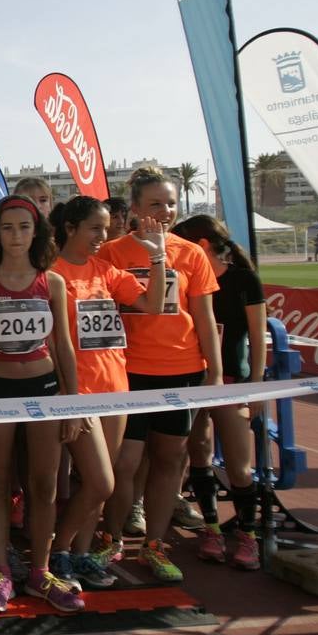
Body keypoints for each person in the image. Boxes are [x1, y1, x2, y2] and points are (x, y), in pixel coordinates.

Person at [96, 167, 221, 584]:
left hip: (181, 370)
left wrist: (214, 373)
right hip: (129, 371)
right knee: (125, 461)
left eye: (170, 203)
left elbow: (203, 317)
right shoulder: (113, 252)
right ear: (133, 209)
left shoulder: (192, 253)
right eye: (155, 204)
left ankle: (154, 544)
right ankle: (111, 538)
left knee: (169, 459)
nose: (165, 211)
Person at [0, 194, 81, 613]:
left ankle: (41, 571)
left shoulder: (52, 282)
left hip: (45, 391)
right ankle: (1, 570)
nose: (16, 236)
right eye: (7, 228)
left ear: (37, 232)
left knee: (44, 485)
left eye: (24, 227)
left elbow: (64, 345)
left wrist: (72, 401)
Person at [47, 196, 166, 589]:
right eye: (95, 228)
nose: (104, 235)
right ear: (70, 229)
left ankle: (79, 555)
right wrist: (67, 393)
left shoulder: (106, 271)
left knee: (100, 481)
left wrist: (158, 258)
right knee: (98, 481)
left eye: (105, 227)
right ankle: (58, 552)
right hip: (76, 393)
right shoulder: (50, 272)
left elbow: (152, 305)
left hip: (115, 387)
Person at [171, 214, 264, 570]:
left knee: (241, 466)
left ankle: (247, 536)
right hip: (194, 382)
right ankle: (210, 529)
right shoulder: (188, 279)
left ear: (202, 246)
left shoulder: (244, 281)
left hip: (232, 385)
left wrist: (256, 387)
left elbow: (257, 338)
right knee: (200, 454)